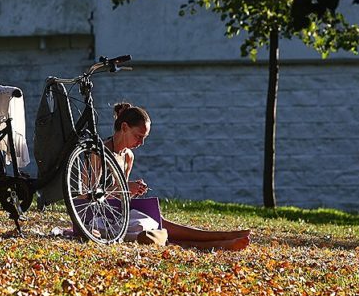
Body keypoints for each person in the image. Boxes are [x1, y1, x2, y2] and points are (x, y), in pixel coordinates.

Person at [104, 102, 250, 251]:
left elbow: (122, 198)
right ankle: (219, 240)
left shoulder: (128, 156)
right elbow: (83, 196)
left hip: (120, 213)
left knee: (159, 223)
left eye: (144, 138)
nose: (141, 143)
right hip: (100, 217)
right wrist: (126, 187)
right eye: (138, 136)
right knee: (158, 225)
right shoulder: (99, 152)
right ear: (124, 128)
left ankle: (220, 239)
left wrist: (132, 191)